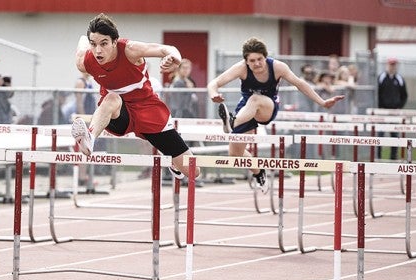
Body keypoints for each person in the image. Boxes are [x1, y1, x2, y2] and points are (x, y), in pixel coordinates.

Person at [71, 13, 200, 179]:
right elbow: (81, 50)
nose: (98, 51)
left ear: (115, 42)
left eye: (104, 44)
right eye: (93, 44)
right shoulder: (86, 61)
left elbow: (164, 49)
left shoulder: (130, 50)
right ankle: (90, 138)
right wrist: (84, 40)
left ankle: (173, 163)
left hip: (148, 110)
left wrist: (174, 57)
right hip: (119, 113)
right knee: (111, 98)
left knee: (193, 171)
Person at [207, 37, 344, 193]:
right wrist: (213, 94)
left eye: (260, 59)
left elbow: (300, 84)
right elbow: (214, 83)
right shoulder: (241, 68)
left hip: (268, 107)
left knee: (255, 99)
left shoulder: (278, 67)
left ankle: (231, 123)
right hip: (245, 110)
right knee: (235, 154)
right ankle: (259, 172)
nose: (257, 63)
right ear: (246, 61)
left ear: (266, 57)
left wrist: (322, 102)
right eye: (252, 61)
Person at [377, 57, 408, 160]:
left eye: (394, 65)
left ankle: (393, 158)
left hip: (394, 112)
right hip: (382, 112)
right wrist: (380, 107)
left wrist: (399, 107)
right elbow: (377, 94)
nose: (392, 67)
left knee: (395, 135)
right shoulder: (381, 77)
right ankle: (378, 157)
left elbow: (404, 95)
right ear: (387, 65)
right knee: (380, 135)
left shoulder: (399, 79)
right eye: (391, 64)